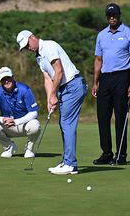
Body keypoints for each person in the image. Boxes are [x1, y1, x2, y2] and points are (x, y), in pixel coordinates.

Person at [16, 30, 87, 175]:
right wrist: (50, 98)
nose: (28, 48)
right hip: (63, 88)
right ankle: (67, 161)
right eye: (25, 47)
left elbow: (59, 71)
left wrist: (54, 94)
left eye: (27, 44)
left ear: (33, 37)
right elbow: (48, 78)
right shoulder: (39, 57)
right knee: (64, 123)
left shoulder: (48, 46)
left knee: (67, 123)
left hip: (73, 85)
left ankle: (70, 164)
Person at [92, 3, 130, 165]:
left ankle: (121, 154)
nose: (112, 17)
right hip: (105, 79)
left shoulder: (129, 34)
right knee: (103, 117)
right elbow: (98, 60)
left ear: (119, 15)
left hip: (122, 77)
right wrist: (95, 82)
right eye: (109, 15)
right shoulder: (101, 35)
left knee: (120, 117)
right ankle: (106, 153)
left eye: (114, 15)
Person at [0, 66, 41, 158]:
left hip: (24, 125)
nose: (6, 81)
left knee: (35, 125)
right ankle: (9, 147)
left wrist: (16, 122)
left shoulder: (25, 89)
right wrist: (2, 119)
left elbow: (34, 113)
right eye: (3, 79)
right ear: (0, 81)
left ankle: (29, 149)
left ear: (13, 77)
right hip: (8, 126)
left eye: (8, 78)